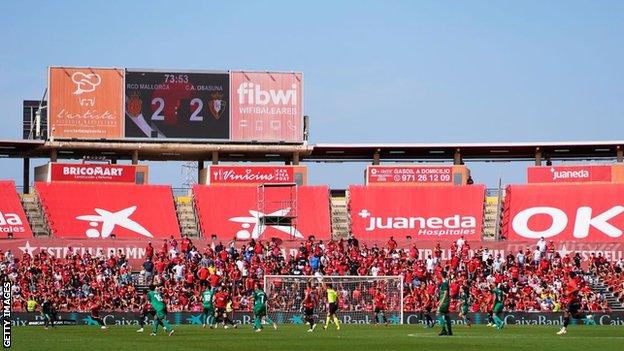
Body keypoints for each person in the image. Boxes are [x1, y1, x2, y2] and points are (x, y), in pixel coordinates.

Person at [437, 271, 452, 336]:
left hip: (444, 302)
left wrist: (441, 302)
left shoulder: (444, 283)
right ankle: (450, 331)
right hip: (446, 301)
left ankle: (444, 330)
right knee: (446, 316)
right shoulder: (445, 282)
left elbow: (445, 293)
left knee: (439, 314)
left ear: (441, 275)